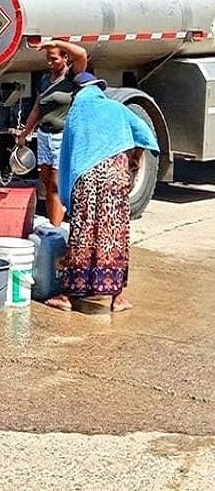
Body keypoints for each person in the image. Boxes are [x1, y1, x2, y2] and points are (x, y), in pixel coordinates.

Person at [44, 73, 158, 313]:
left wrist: (65, 194)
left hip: (86, 178)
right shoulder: (116, 108)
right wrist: (135, 160)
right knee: (113, 232)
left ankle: (67, 296)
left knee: (83, 233)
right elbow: (147, 135)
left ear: (77, 93)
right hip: (115, 176)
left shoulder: (77, 113)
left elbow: (68, 157)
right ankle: (117, 298)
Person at [16, 39, 89, 227]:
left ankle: (56, 229)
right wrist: (25, 133)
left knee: (57, 185)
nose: (50, 63)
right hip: (44, 136)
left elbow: (81, 54)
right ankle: (52, 223)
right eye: (48, 59)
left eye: (54, 59)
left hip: (61, 137)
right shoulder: (44, 79)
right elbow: (37, 109)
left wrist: (57, 42)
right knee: (47, 184)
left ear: (65, 57)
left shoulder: (72, 77)